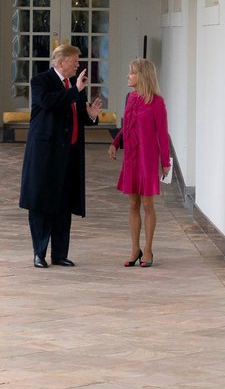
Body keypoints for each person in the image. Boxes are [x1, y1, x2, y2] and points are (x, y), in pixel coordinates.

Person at [19, 44, 103, 268]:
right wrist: (74, 91)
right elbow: (47, 102)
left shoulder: (73, 86)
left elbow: (75, 115)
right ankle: (39, 253)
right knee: (42, 204)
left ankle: (60, 254)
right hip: (45, 155)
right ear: (60, 62)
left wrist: (91, 116)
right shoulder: (40, 81)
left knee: (64, 204)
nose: (78, 65)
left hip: (69, 153)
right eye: (75, 61)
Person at [108, 58, 171, 268]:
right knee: (133, 203)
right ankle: (135, 249)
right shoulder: (130, 98)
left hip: (148, 159)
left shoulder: (157, 102)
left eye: (132, 72)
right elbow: (127, 126)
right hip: (132, 158)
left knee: (147, 204)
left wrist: (165, 162)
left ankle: (149, 249)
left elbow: (163, 134)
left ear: (142, 76)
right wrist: (115, 143)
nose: (128, 75)